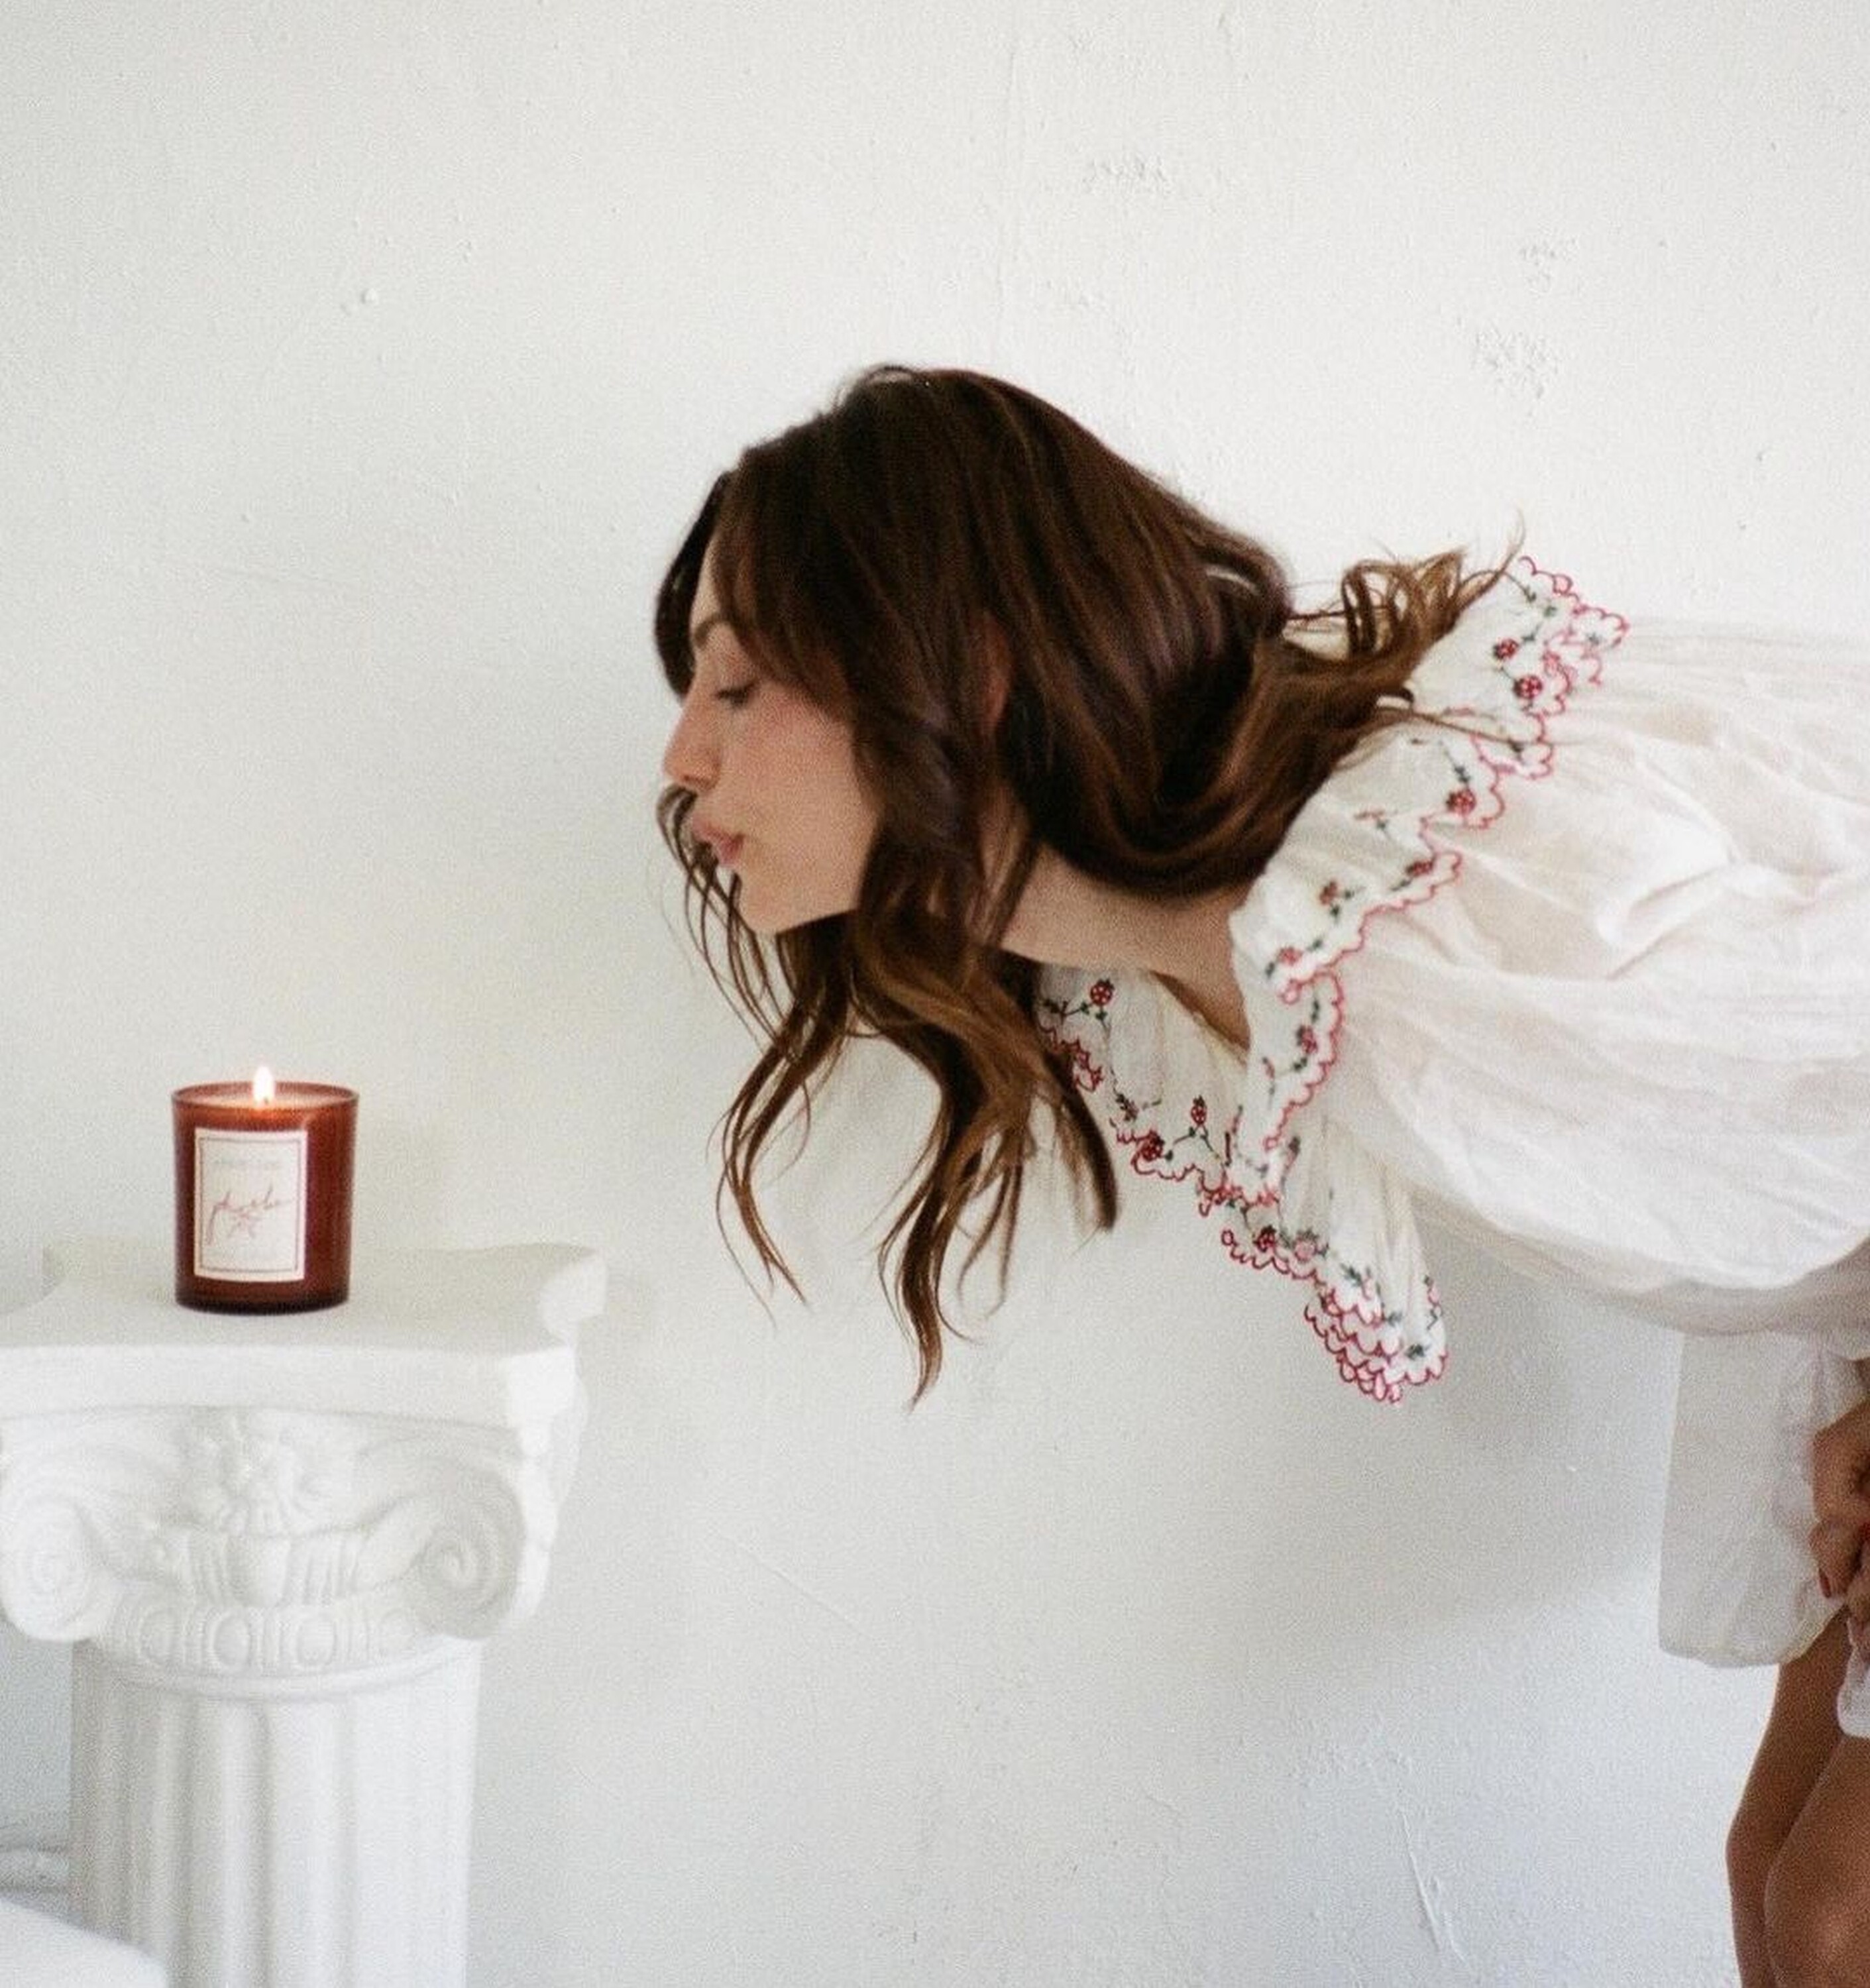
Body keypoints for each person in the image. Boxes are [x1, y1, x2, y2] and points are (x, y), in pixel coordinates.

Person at [655, 364, 1870, 1986]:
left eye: (738, 686)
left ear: (969, 669)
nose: (683, 754)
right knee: (1783, 1883)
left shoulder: (1449, 914)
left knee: (1834, 1918)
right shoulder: (1201, 958)